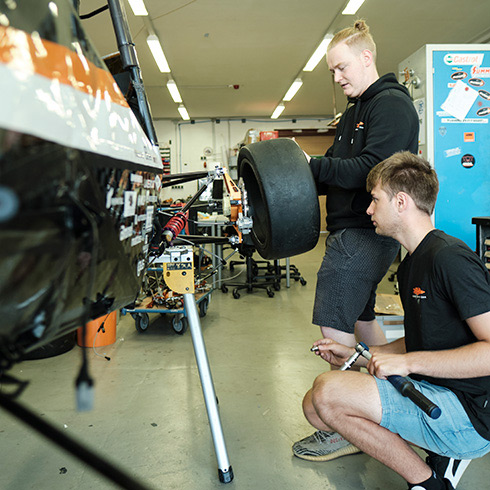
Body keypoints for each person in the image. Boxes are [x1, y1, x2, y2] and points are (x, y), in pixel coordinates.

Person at [302, 151, 490, 490]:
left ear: (401, 202)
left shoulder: (450, 259)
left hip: (470, 415)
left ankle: (427, 483)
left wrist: (406, 362)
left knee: (328, 394)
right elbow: (426, 337)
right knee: (314, 408)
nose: (368, 210)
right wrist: (358, 356)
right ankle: (439, 454)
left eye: (375, 200)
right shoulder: (409, 265)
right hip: (435, 390)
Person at [293, 20, 419, 460]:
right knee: (367, 329)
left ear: (367, 57)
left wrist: (309, 167)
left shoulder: (390, 106)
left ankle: (352, 425)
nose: (337, 76)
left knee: (334, 332)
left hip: (363, 235)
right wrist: (303, 172)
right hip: (352, 233)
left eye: (342, 67)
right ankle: (389, 405)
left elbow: (370, 171)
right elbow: (336, 166)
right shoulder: (353, 111)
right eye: (332, 71)